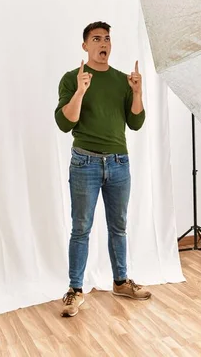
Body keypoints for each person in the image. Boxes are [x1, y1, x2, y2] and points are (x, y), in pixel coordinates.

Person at [54, 21, 151, 318]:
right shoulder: (73, 79)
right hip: (85, 163)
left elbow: (135, 123)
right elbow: (64, 122)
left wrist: (136, 92)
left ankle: (121, 281)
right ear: (85, 46)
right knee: (81, 228)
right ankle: (75, 291)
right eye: (96, 39)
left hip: (119, 163)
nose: (103, 43)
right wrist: (81, 91)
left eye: (107, 38)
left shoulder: (123, 80)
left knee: (119, 227)